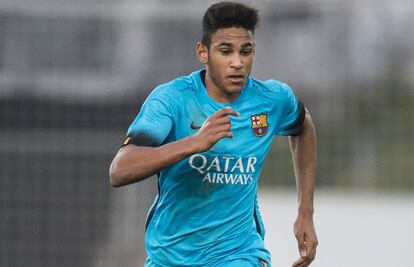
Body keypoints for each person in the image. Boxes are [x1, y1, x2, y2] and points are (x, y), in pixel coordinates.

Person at [109, 1, 318, 266]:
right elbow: (119, 170)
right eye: (225, 51)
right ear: (203, 52)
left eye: (246, 51)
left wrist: (305, 212)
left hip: (238, 253)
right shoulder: (171, 100)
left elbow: (303, 125)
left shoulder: (272, 100)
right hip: (170, 256)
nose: (237, 62)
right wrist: (194, 143)